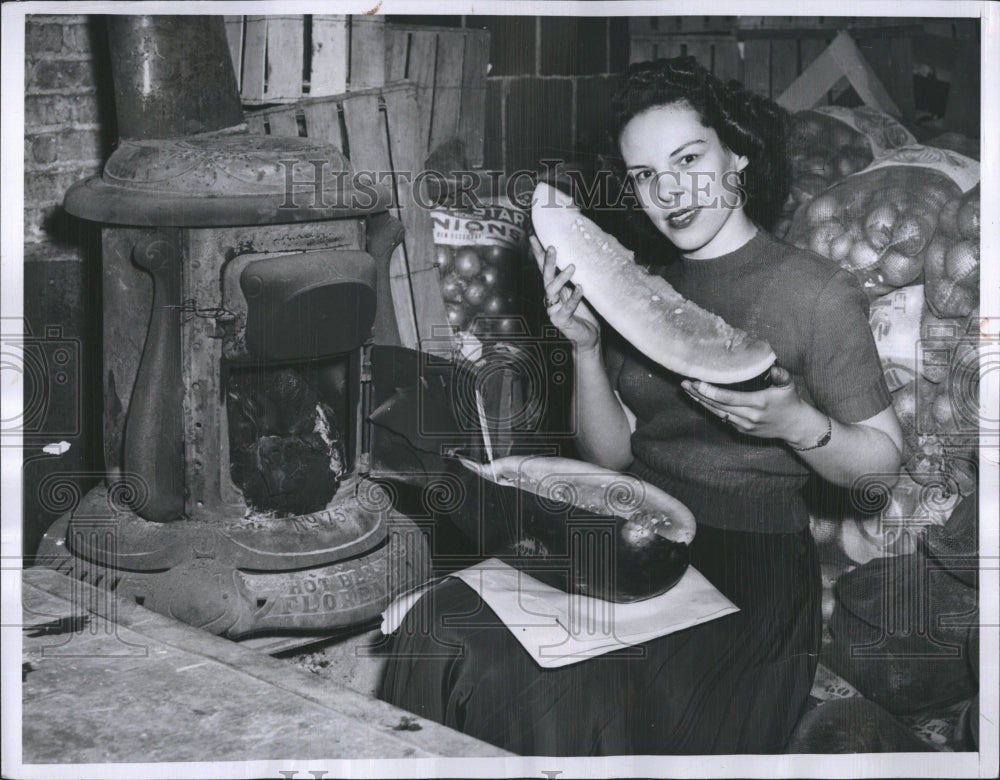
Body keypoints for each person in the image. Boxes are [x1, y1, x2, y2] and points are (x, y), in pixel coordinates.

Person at [377, 56, 904, 756]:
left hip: (751, 578)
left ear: (738, 153)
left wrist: (799, 425)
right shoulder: (643, 288)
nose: (671, 191)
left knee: (551, 691)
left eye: (688, 157)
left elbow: (882, 466)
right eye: (646, 175)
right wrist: (587, 350)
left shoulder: (817, 293)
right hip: (631, 539)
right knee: (441, 627)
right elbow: (614, 457)